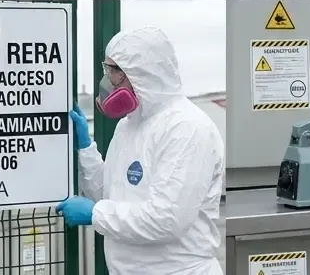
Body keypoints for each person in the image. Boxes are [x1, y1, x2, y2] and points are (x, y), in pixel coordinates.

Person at [56, 27, 224, 275]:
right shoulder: (129, 125)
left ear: (141, 73)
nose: (106, 82)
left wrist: (95, 214)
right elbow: (111, 194)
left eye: (113, 71)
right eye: (107, 70)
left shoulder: (186, 128)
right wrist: (85, 148)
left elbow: (166, 220)